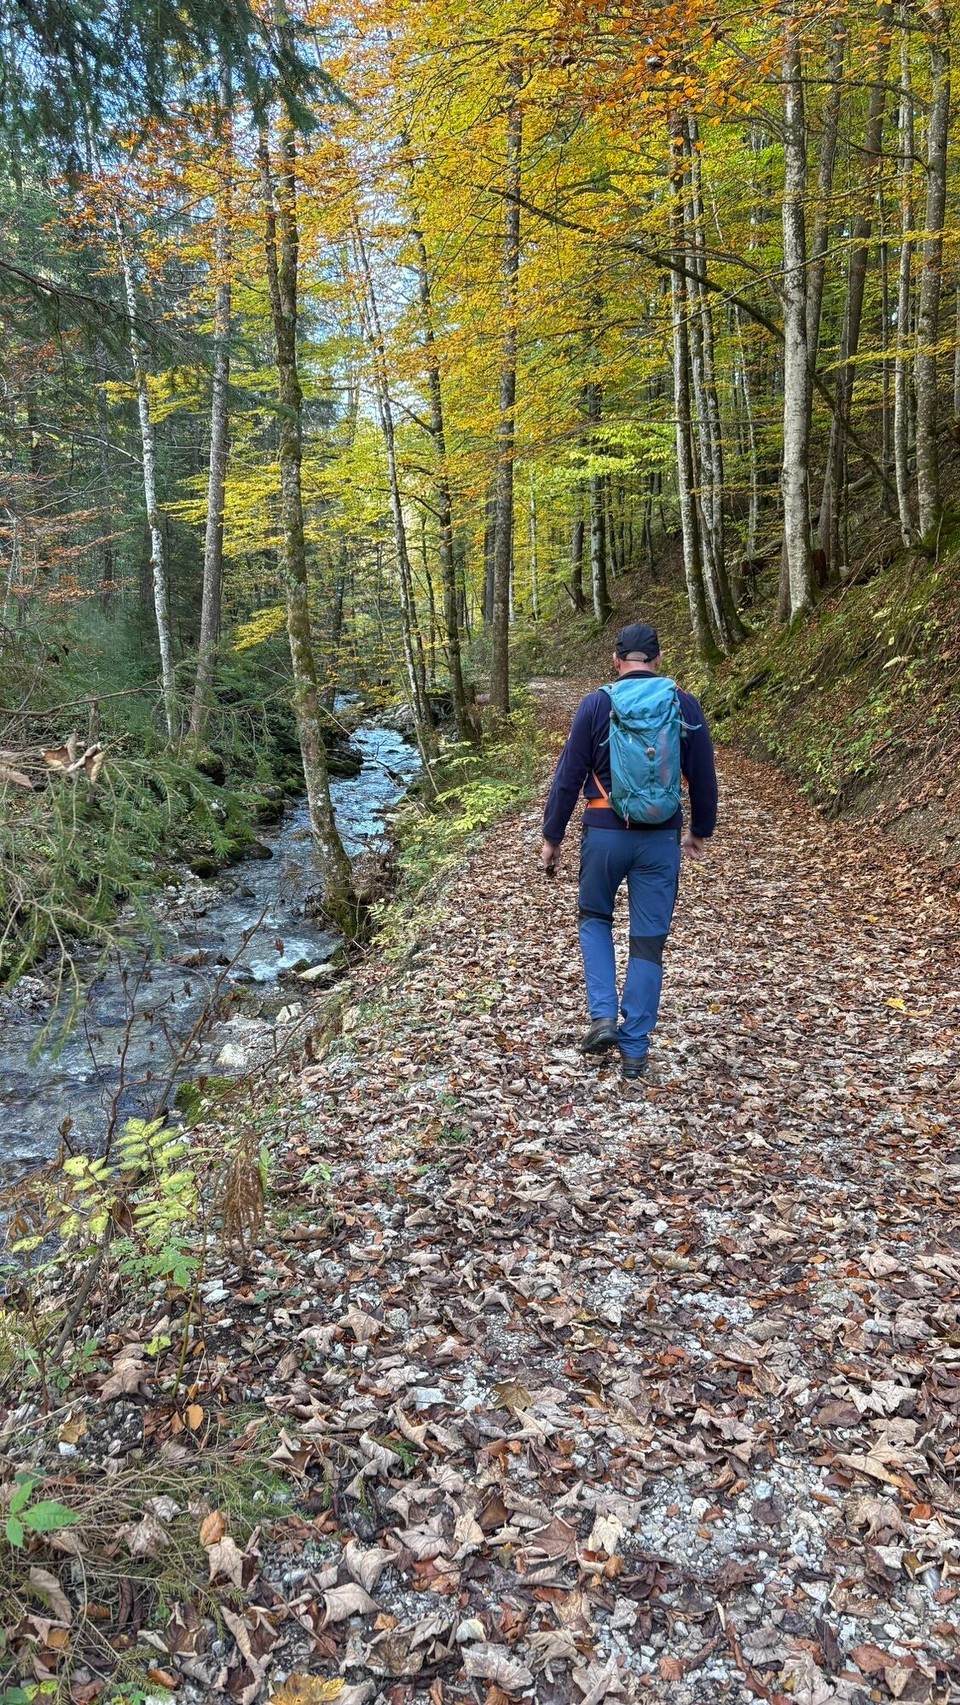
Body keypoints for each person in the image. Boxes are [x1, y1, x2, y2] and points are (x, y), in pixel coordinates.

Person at [540, 622, 718, 1079]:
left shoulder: (597, 704)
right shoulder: (683, 703)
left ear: (617, 662)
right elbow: (703, 775)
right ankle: (635, 1049)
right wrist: (700, 829)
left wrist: (552, 837)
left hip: (603, 832)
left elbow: (568, 775)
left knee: (595, 919)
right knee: (648, 941)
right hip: (660, 839)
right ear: (658, 661)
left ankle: (602, 1016)